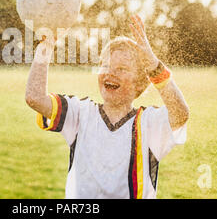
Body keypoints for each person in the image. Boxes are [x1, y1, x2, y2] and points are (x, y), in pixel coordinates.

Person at [25, 14, 189, 199]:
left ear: (140, 83)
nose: (110, 73)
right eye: (105, 65)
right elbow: (35, 98)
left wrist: (153, 66)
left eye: (122, 69)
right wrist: (46, 46)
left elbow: (180, 114)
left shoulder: (148, 123)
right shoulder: (80, 113)